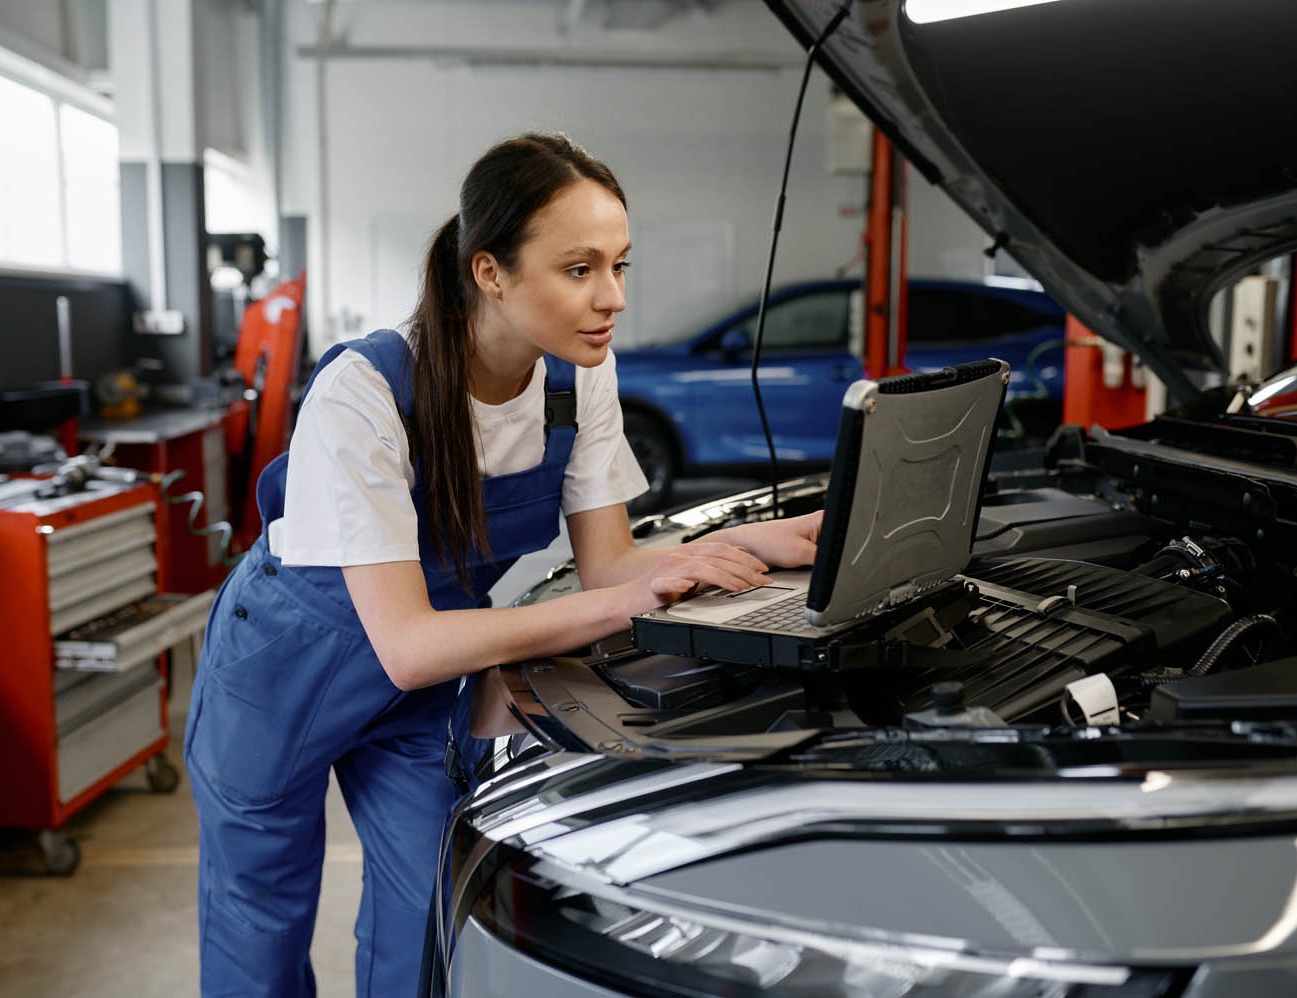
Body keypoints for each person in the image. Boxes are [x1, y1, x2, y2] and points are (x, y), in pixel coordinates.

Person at [184, 132, 823, 997]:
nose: (613, 298)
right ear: (490, 272)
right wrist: (628, 600)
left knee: (428, 919)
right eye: (580, 269)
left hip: (418, 685)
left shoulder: (578, 376)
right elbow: (410, 639)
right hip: (288, 671)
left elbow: (610, 566)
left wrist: (752, 542)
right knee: (259, 927)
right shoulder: (365, 394)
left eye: (620, 266)